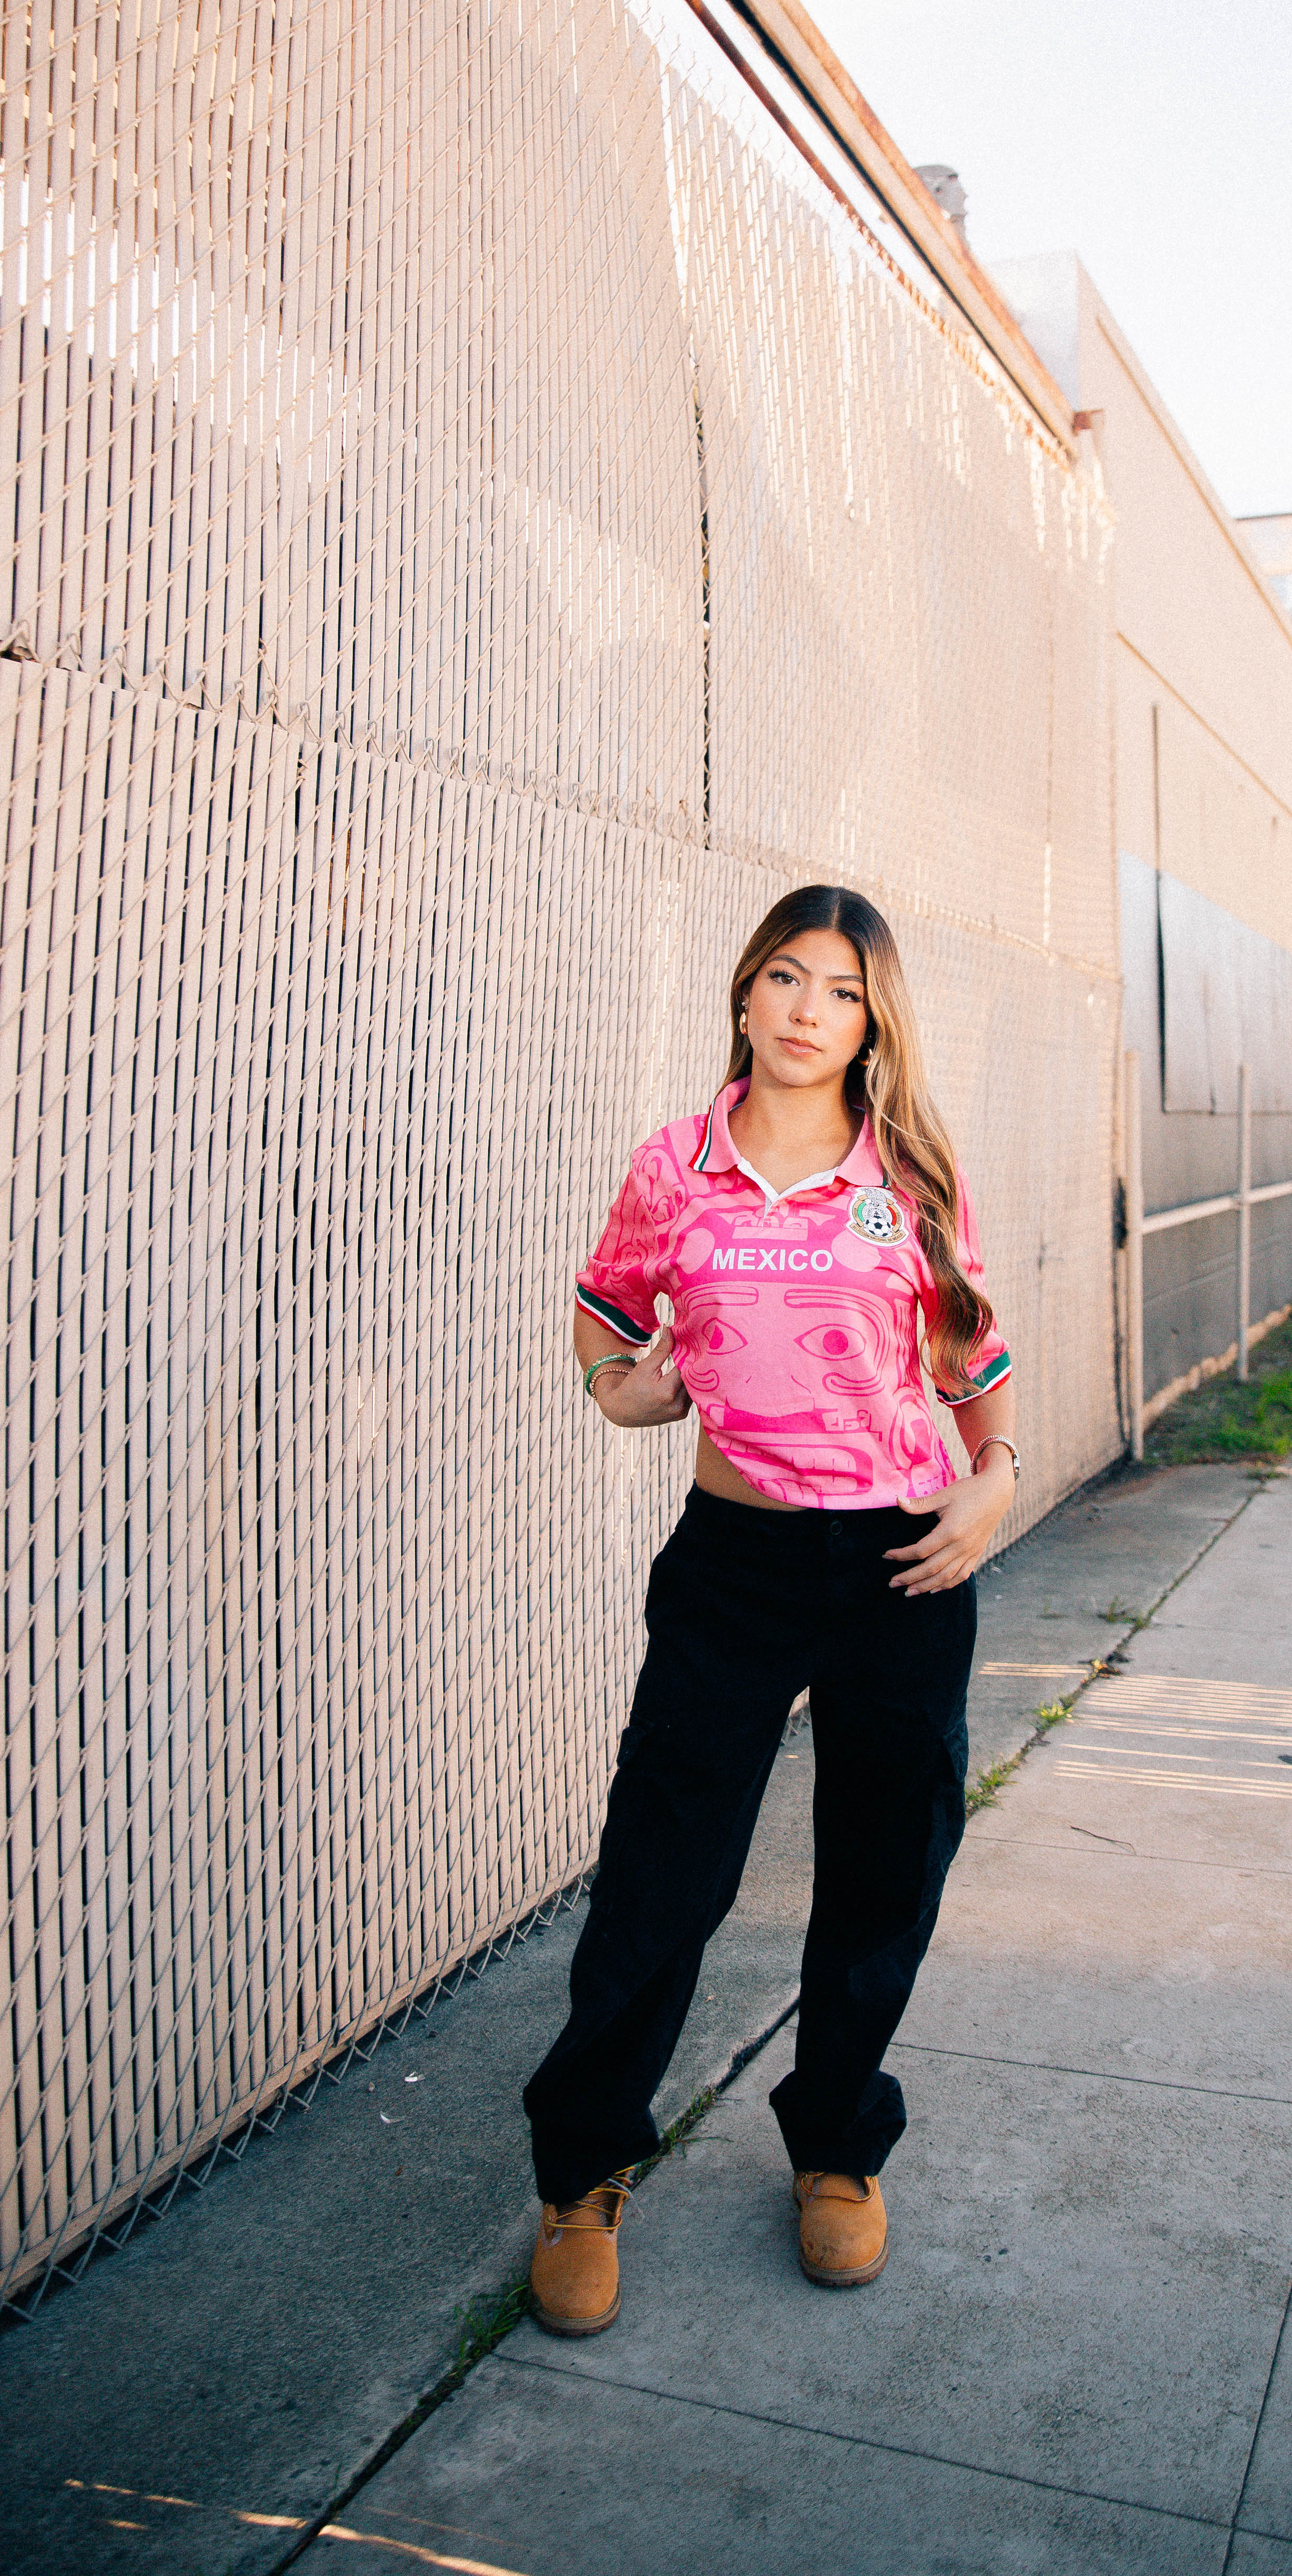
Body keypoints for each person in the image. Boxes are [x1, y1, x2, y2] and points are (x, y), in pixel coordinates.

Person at [522, 882, 1019, 2335]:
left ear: (875, 1022)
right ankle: (582, 2173)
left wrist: (994, 1485)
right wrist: (632, 1394)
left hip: (900, 1566)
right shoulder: (674, 1168)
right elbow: (607, 1334)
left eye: (843, 989)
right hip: (735, 1569)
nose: (810, 1009)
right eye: (786, 979)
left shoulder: (910, 1174)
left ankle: (836, 2149)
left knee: (882, 1873)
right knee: (664, 1879)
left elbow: (971, 1365)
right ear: (745, 996)